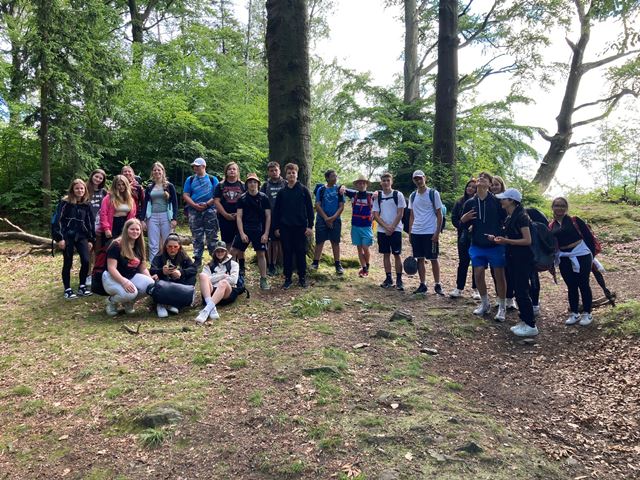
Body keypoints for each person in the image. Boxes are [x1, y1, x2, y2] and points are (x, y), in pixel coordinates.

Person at [460, 172, 508, 321]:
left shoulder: (497, 202)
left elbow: (506, 221)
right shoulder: (470, 203)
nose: (481, 179)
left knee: (499, 276)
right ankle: (485, 303)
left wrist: (501, 236)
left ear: (489, 184)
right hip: (477, 244)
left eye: (485, 178)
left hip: (495, 245)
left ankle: (502, 307)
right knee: (478, 273)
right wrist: (463, 220)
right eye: (479, 177)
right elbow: (462, 224)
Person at [490, 189, 538, 337]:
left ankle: (531, 325)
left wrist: (506, 241)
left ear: (511, 201)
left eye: (504, 199)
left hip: (522, 259)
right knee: (518, 290)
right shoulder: (510, 216)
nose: (501, 201)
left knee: (522, 291)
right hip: (513, 257)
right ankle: (524, 320)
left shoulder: (522, 217)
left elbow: (527, 240)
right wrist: (498, 239)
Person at [549, 197, 594, 326]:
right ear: (553, 207)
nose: (560, 208)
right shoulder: (551, 225)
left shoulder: (575, 220)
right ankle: (574, 312)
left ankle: (587, 313)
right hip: (564, 257)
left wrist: (592, 256)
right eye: (557, 205)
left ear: (566, 208)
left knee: (583, 283)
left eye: (562, 206)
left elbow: (588, 237)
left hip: (582, 254)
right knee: (571, 285)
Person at [52, 179, 96, 299]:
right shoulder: (65, 203)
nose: (79, 190)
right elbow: (57, 221)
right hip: (67, 236)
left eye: (82, 188)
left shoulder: (86, 204)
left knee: (86, 261)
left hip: (82, 236)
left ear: (85, 190)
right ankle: (67, 289)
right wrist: (59, 238)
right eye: (77, 188)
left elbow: (90, 222)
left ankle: (82, 286)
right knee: (68, 262)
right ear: (72, 190)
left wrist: (91, 239)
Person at [272, 163, 314, 289]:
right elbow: (277, 211)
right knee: (287, 253)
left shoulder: (304, 190)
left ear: (297, 174)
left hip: (300, 228)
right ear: (286, 175)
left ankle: (302, 278)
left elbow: (310, 210)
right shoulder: (282, 192)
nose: (291, 175)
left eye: (293, 173)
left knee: (301, 252)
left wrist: (310, 226)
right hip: (285, 228)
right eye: (289, 173)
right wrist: (276, 227)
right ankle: (288, 278)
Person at [102, 218, 154, 316]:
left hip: (130, 276)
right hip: (112, 277)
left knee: (150, 285)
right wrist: (124, 282)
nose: (135, 232)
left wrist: (151, 279)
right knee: (130, 293)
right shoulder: (116, 245)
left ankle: (128, 302)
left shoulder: (139, 245)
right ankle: (111, 301)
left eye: (137, 229)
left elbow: (143, 268)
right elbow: (111, 268)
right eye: (132, 229)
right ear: (126, 230)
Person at [407, 170, 444, 295]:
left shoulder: (433, 193)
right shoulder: (413, 196)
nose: (418, 181)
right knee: (420, 259)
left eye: (420, 178)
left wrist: (437, 232)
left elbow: (439, 214)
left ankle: (437, 284)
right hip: (416, 231)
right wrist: (410, 232)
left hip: (430, 231)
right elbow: (411, 215)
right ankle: (423, 284)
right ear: (413, 180)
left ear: (425, 178)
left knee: (433, 258)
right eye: (416, 179)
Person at [232, 173, 272, 290]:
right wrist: (242, 233)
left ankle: (263, 279)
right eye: (250, 182)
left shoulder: (264, 198)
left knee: (261, 254)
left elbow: (268, 216)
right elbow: (239, 217)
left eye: (254, 182)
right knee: (233, 251)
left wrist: (266, 233)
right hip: (245, 229)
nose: (252, 184)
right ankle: (233, 277)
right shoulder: (242, 198)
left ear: (258, 184)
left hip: (259, 230)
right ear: (247, 184)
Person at [183, 157, 219, 268]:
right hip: (194, 211)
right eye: (194, 166)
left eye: (197, 166)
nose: (195, 168)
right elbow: (186, 195)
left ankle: (215, 259)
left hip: (210, 210)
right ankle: (197, 259)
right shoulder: (190, 179)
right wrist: (194, 205)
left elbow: (217, 195)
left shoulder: (213, 179)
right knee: (196, 236)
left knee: (212, 236)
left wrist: (207, 204)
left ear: (204, 166)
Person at [372, 172, 406, 291]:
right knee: (386, 254)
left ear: (391, 182)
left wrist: (392, 227)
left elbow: (400, 213)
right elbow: (376, 215)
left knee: (397, 254)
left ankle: (399, 280)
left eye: (388, 180)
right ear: (381, 183)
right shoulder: (378, 197)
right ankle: (388, 278)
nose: (386, 183)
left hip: (396, 229)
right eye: (384, 180)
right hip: (382, 230)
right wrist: (386, 227)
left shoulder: (398, 195)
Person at [150, 234, 197, 317]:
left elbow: (193, 269)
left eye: (175, 247)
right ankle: (161, 303)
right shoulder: (160, 255)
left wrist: (181, 272)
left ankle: (175, 303)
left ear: (179, 247)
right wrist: (162, 271)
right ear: (166, 247)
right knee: (156, 278)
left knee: (192, 277)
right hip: (165, 284)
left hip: (178, 283)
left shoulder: (183, 255)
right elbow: (152, 270)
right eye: (170, 246)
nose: (172, 249)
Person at [195, 241, 240, 324]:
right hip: (211, 291)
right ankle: (212, 308)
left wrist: (216, 279)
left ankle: (206, 310)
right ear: (214, 252)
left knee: (223, 283)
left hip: (226, 292)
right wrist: (222, 275)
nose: (220, 253)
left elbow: (233, 280)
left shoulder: (234, 264)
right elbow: (206, 279)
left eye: (222, 251)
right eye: (217, 251)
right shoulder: (209, 265)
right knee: (202, 275)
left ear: (226, 252)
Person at [214, 162, 246, 272]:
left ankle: (241, 267)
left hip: (240, 218)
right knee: (227, 242)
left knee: (240, 242)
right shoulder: (220, 186)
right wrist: (225, 215)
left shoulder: (243, 185)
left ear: (237, 171)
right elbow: (216, 201)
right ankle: (228, 265)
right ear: (226, 171)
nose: (232, 171)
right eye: (229, 169)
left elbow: (247, 201)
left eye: (234, 169)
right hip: (225, 218)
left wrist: (239, 215)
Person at [450, 178, 480, 299]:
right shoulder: (459, 202)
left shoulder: (479, 203)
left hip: (476, 236)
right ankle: (459, 287)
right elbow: (454, 219)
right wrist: (462, 223)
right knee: (463, 261)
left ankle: (476, 288)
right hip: (462, 236)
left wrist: (475, 226)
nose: (470, 188)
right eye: (469, 186)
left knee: (476, 262)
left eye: (473, 187)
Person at [311, 169, 345, 275]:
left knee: (335, 242)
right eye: (333, 176)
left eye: (336, 176)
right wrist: (326, 218)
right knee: (319, 241)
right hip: (321, 220)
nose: (335, 178)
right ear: (327, 178)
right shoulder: (321, 190)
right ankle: (315, 263)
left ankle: (338, 264)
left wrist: (333, 218)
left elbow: (341, 206)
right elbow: (317, 205)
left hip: (336, 220)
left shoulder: (339, 189)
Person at [143, 162, 178, 259]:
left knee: (168, 242)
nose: (157, 172)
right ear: (152, 172)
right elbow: (145, 204)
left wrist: (174, 218)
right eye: (155, 170)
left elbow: (175, 203)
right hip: (152, 217)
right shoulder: (149, 187)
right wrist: (142, 219)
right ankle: (154, 265)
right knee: (153, 243)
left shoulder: (169, 186)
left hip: (166, 216)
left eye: (159, 170)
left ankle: (169, 263)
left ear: (163, 171)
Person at [343, 174, 375, 277]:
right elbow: (341, 188)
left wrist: (377, 192)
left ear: (366, 185)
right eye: (359, 183)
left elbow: (383, 193)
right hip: (355, 226)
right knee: (359, 248)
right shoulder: (353, 194)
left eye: (363, 183)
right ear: (356, 185)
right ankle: (364, 268)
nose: (361, 185)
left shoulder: (371, 195)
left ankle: (367, 265)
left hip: (367, 226)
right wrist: (342, 187)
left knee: (365, 247)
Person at [260, 161, 287, 276]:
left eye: (276, 170)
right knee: (270, 241)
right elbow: (260, 199)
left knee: (278, 241)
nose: (274, 172)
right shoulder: (265, 185)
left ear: (279, 171)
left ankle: (278, 263)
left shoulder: (285, 183)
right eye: (271, 171)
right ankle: (270, 264)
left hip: (283, 217)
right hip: (268, 216)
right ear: (268, 172)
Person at [86, 168, 107, 287]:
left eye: (100, 178)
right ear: (92, 176)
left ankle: (96, 274)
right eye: (96, 176)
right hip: (87, 226)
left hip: (100, 227)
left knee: (98, 252)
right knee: (87, 251)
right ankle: (87, 274)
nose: (98, 179)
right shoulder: (85, 189)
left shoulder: (103, 192)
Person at [100, 175, 137, 243]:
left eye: (123, 184)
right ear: (115, 186)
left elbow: (133, 214)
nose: (121, 186)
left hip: (126, 224)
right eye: (119, 185)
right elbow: (103, 214)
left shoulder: (130, 199)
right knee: (112, 245)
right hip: (113, 224)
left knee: (125, 245)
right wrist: (106, 228)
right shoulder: (109, 198)